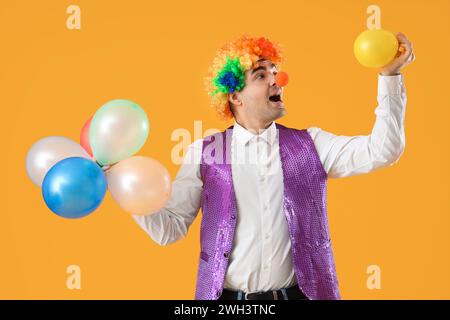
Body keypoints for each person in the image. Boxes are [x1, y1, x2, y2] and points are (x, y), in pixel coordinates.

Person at [133, 34, 415, 300]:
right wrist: (129, 191)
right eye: (261, 75)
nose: (277, 80)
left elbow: (382, 150)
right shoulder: (204, 153)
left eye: (275, 71)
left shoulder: (312, 144)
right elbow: (169, 230)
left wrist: (390, 76)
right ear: (234, 96)